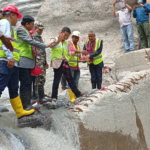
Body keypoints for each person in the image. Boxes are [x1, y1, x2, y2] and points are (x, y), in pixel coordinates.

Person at [0, 5, 34, 119]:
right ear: (12, 15)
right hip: (6, 61)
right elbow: (5, 42)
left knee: (14, 88)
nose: (17, 20)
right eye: (17, 17)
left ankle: (20, 111)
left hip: (12, 63)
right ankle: (20, 111)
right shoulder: (5, 23)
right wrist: (10, 57)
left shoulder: (8, 25)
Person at [16, 15, 52, 111]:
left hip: (28, 61)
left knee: (28, 82)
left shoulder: (27, 31)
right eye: (32, 24)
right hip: (23, 60)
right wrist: (45, 45)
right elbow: (30, 42)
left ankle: (28, 104)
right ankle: (25, 105)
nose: (33, 26)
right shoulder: (20, 30)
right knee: (25, 83)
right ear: (26, 23)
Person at [50, 27, 85, 106]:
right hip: (57, 62)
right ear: (61, 33)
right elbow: (51, 46)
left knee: (70, 79)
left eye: (67, 36)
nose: (66, 37)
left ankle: (77, 93)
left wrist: (71, 54)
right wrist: (58, 40)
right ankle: (54, 97)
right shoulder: (54, 39)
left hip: (65, 63)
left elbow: (68, 52)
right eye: (65, 35)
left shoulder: (66, 43)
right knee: (57, 80)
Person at [32, 21, 51, 104]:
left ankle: (39, 96)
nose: (41, 31)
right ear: (36, 28)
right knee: (40, 78)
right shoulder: (34, 37)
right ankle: (40, 97)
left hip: (41, 60)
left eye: (42, 29)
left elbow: (42, 51)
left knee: (41, 78)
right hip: (38, 61)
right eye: (40, 29)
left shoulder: (39, 37)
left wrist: (45, 61)